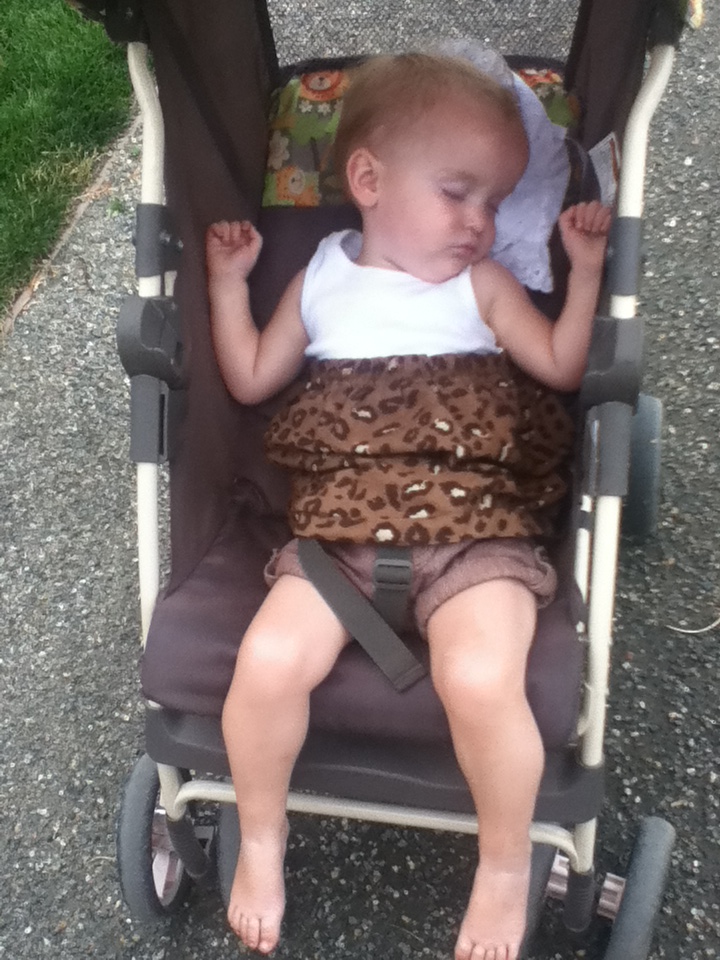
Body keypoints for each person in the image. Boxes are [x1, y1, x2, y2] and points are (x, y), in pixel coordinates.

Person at [207, 52, 611, 960]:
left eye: (496, 203)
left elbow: (561, 367)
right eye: (459, 194)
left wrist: (584, 274)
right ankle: (261, 840)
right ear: (368, 181)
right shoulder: (319, 278)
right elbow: (252, 377)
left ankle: (503, 865)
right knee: (265, 662)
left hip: (476, 530)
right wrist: (230, 287)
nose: (481, 223)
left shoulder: (484, 286)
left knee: (479, 679)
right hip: (339, 534)